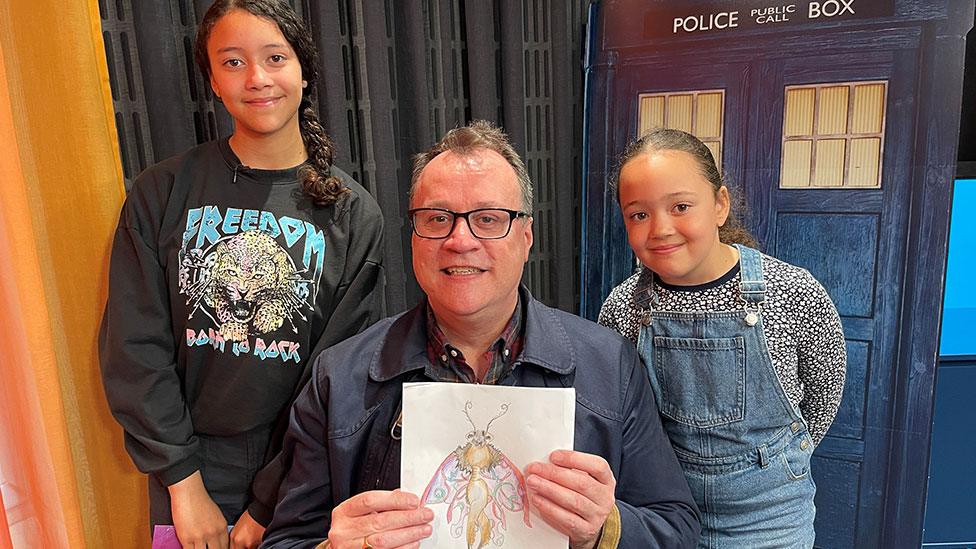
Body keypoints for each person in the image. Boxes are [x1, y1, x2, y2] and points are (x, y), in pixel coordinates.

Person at [260, 120, 701, 548]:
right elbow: (286, 539)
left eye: (489, 220)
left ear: (526, 236)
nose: (460, 240)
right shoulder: (339, 379)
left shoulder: (610, 364)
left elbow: (676, 526)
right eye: (437, 219)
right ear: (413, 237)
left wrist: (606, 528)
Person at [98, 1, 385, 548]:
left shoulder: (352, 214)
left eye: (274, 58)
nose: (256, 79)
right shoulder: (163, 192)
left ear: (303, 70)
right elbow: (134, 347)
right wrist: (184, 484)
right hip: (188, 468)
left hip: (303, 473)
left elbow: (339, 378)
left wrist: (268, 501)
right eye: (232, 62)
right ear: (211, 79)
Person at [598, 128, 847, 548]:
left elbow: (822, 399)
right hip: (664, 518)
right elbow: (617, 416)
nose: (660, 228)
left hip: (772, 522)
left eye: (680, 206)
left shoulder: (792, 292)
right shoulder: (623, 309)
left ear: (719, 205)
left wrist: (770, 460)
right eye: (638, 214)